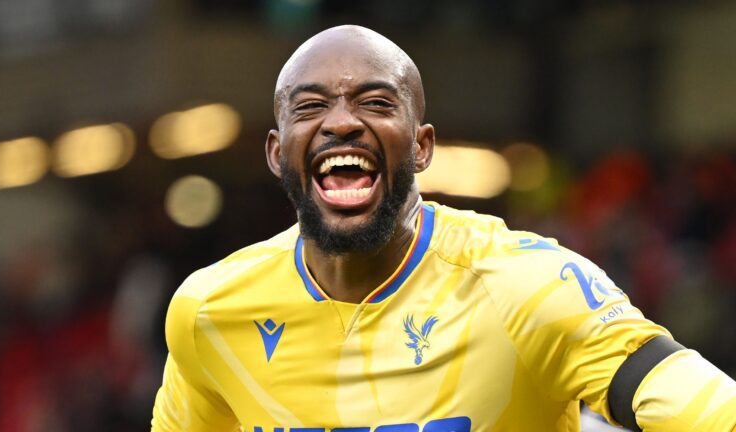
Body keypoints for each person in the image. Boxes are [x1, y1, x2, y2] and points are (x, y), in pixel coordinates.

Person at [151, 25, 736, 431]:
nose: (342, 122)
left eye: (376, 102)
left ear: (422, 147)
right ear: (279, 154)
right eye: (310, 107)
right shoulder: (209, 310)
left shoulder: (527, 285)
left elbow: (707, 410)